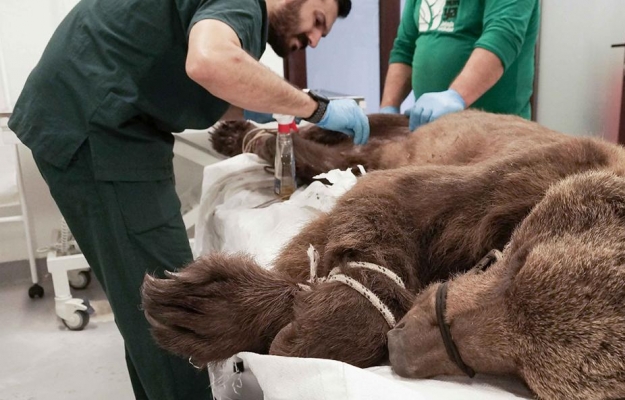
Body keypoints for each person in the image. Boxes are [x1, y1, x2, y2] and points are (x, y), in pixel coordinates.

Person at [8, 0, 366, 399]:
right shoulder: (244, 4)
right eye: (317, 23)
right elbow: (210, 62)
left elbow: (213, 79)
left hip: (99, 118)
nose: (314, 41)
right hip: (100, 129)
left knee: (139, 302)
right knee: (175, 310)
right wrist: (317, 108)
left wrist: (276, 112)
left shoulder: (240, 22)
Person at [379, 0, 540, 131]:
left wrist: (456, 96)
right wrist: (388, 108)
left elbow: (501, 37)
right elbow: (405, 49)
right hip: (430, 132)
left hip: (496, 134)